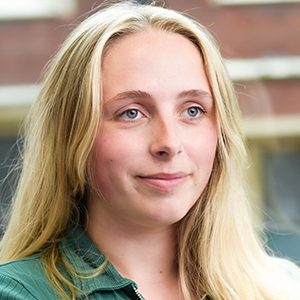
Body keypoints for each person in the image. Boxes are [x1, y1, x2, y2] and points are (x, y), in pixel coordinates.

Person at [0, 1, 299, 299]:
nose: (169, 143)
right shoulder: (20, 293)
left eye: (192, 111)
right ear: (71, 135)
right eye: (131, 113)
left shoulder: (281, 288)